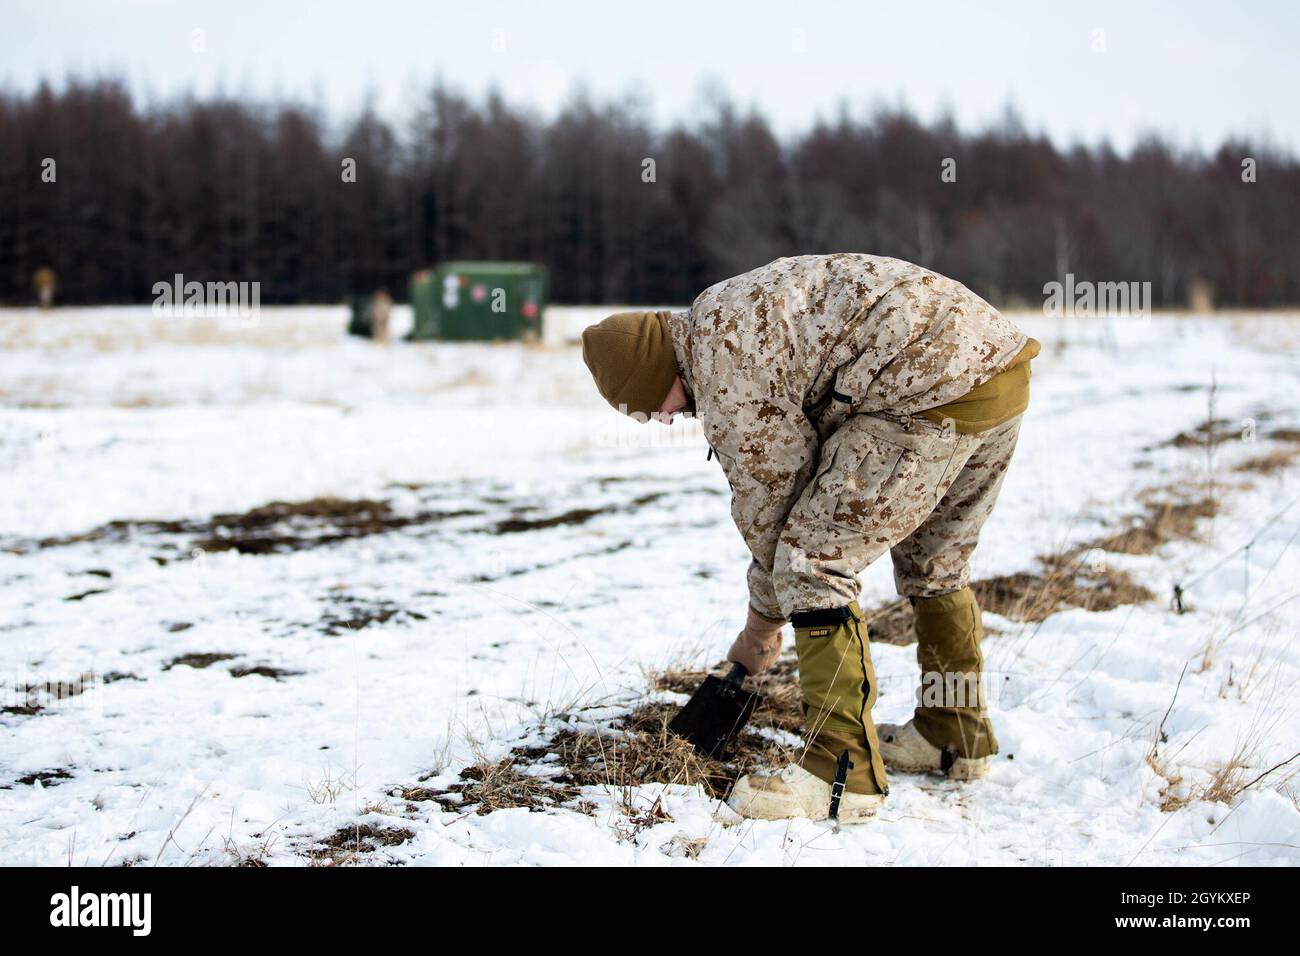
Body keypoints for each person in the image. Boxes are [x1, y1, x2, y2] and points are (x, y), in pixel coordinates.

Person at [580, 254, 1039, 823]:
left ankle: (840, 772)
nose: (661, 422)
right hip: (997, 372)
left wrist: (757, 635)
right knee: (935, 563)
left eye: (650, 409)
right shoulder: (719, 316)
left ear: (657, 374)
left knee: (812, 562)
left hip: (927, 391)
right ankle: (954, 733)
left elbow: (777, 515)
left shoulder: (721, 368)